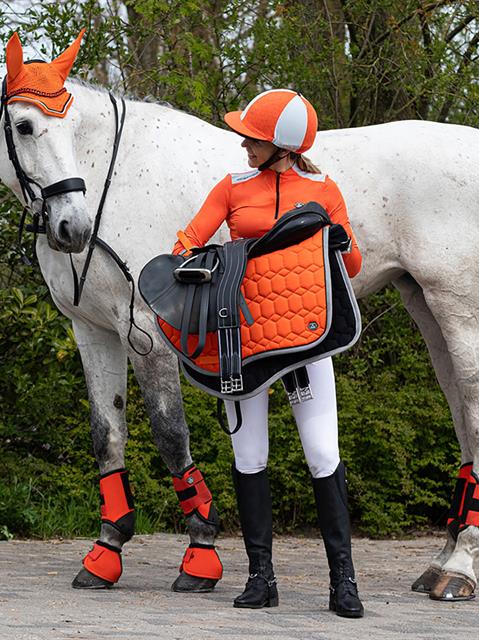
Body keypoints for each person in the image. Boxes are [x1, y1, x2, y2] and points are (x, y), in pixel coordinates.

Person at [172, 89, 364, 618]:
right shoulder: (232, 187)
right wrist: (200, 262)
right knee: (249, 455)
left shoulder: (324, 190)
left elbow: (351, 269)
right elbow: (185, 243)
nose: (242, 144)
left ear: (280, 147)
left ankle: (343, 583)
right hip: (243, 340)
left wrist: (343, 246)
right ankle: (261, 578)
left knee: (323, 455)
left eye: (251, 138)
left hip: (304, 339)